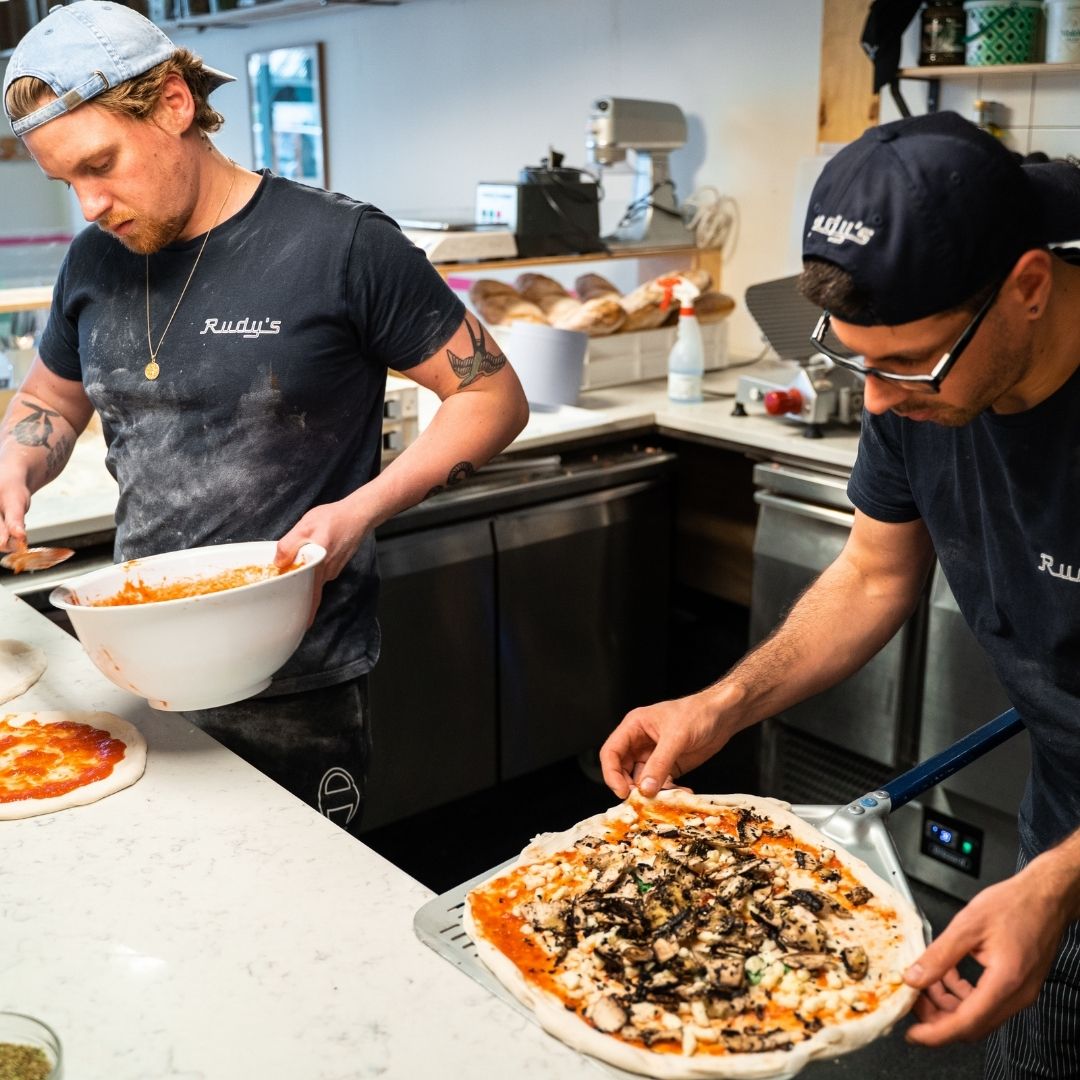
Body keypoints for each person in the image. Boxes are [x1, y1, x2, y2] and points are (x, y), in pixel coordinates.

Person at [600, 111, 1080, 1077]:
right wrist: (720, 704)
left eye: (908, 361)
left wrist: (1060, 882)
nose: (878, 399)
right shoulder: (913, 382)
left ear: (1029, 287)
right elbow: (873, 573)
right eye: (854, 357)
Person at [0, 1, 528, 837]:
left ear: (174, 103)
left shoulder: (340, 245)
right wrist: (15, 466)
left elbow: (490, 395)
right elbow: (48, 402)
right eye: (68, 182)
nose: (91, 204)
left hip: (297, 678)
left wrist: (360, 510)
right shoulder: (93, 261)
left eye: (101, 164)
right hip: (142, 663)